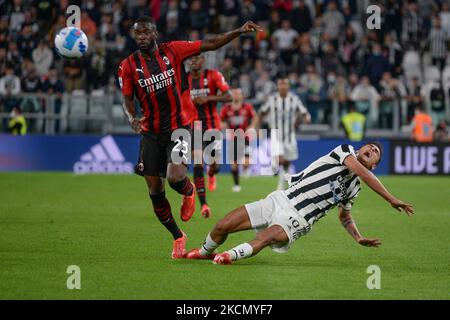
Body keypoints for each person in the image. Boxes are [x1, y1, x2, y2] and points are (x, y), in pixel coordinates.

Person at [117, 16, 261, 259]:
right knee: (154, 189)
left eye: (145, 32)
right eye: (137, 33)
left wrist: (238, 30)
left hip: (178, 128)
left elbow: (211, 43)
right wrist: (132, 117)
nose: (141, 37)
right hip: (151, 132)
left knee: (175, 177)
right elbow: (127, 99)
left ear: (155, 33)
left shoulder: (173, 51)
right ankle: (177, 235)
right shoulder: (128, 65)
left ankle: (189, 191)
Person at [186, 143, 414, 265]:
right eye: (370, 146)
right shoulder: (344, 151)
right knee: (222, 225)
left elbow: (345, 217)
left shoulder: (354, 188)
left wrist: (358, 237)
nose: (371, 149)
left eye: (376, 152)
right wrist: (391, 199)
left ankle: (227, 257)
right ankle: (205, 252)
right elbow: (363, 174)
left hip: (298, 219)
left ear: (375, 165)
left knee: (265, 238)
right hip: (280, 199)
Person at [188, 54, 232, 218]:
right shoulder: (184, 79)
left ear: (203, 61)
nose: (193, 60)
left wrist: (208, 98)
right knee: (197, 163)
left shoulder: (213, 75)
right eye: (191, 58)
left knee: (214, 165)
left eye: (197, 58)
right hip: (194, 127)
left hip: (212, 125)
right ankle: (204, 204)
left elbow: (229, 96)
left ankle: (212, 173)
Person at [258, 76, 311, 190]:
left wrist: (306, 117)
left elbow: (304, 112)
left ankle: (281, 184)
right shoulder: (272, 99)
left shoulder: (294, 99)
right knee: (280, 159)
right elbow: (262, 112)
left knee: (287, 162)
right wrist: (257, 126)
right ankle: (273, 165)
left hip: (290, 136)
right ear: (278, 86)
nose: (282, 86)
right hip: (276, 134)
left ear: (288, 86)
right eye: (280, 84)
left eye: (285, 84)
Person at [220, 88, 258, 192]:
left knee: (246, 162)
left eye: (238, 94)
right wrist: (222, 125)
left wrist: (252, 126)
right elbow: (220, 121)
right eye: (234, 93)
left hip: (245, 138)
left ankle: (246, 169)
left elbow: (255, 117)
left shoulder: (247, 107)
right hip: (232, 139)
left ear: (242, 96)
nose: (236, 95)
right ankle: (236, 185)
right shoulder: (226, 109)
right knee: (234, 164)